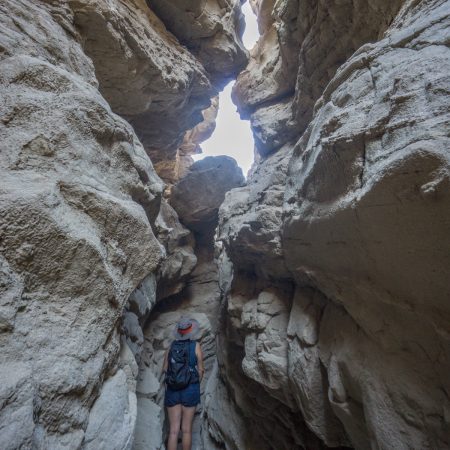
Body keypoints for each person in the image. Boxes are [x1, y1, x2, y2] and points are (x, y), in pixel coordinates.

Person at [163, 318, 204, 450]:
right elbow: (201, 370)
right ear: (190, 332)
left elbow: (165, 369)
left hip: (172, 389)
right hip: (190, 389)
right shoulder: (195, 346)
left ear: (178, 332)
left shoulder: (171, 346)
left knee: (174, 431)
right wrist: (195, 382)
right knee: (186, 430)